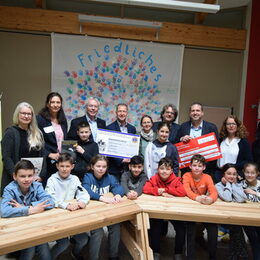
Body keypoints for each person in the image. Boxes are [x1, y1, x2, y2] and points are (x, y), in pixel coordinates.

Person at [1, 160, 54, 260]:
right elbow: (3, 211)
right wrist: (30, 210)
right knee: (29, 250)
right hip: (19, 229)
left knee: (46, 255)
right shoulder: (9, 189)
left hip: (36, 227)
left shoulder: (37, 185)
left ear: (34, 175)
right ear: (14, 176)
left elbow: (51, 201)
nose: (27, 179)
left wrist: (25, 207)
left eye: (30, 176)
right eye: (22, 176)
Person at [45, 153, 89, 260]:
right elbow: (50, 198)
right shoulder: (52, 179)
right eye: (62, 166)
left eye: (67, 166)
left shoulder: (75, 179)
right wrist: (66, 205)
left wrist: (82, 201)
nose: (64, 169)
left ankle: (75, 252)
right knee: (63, 243)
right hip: (57, 217)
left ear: (72, 167)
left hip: (71, 216)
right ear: (57, 166)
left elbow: (83, 193)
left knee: (83, 239)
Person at [82, 155, 125, 260]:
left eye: (104, 166)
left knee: (115, 226)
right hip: (91, 212)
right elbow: (86, 190)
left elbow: (118, 187)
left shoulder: (110, 177)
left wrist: (118, 194)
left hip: (106, 211)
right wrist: (101, 198)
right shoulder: (88, 176)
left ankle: (113, 255)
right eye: (98, 166)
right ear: (92, 167)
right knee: (98, 231)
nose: (101, 169)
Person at [143, 157, 186, 260]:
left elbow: (182, 191)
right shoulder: (154, 178)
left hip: (173, 210)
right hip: (158, 210)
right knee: (155, 228)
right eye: (162, 168)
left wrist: (166, 190)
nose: (164, 171)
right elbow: (145, 189)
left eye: (167, 169)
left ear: (171, 171)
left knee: (181, 229)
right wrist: (158, 191)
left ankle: (178, 252)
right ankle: (156, 251)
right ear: (158, 169)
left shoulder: (176, 180)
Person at [1, 102, 45, 195]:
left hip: (33, 181)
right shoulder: (11, 132)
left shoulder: (37, 133)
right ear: (18, 115)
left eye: (29, 114)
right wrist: (17, 176)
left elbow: (43, 156)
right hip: (15, 181)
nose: (26, 116)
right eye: (23, 113)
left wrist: (41, 176)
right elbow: (6, 157)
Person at [183, 154, 218, 260]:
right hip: (191, 206)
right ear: (190, 166)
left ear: (204, 167)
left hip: (204, 206)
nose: (196, 168)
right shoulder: (186, 176)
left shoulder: (207, 177)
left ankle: (212, 256)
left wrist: (210, 199)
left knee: (213, 228)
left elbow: (214, 192)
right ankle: (190, 257)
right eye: (194, 165)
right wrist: (198, 198)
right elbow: (187, 191)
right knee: (190, 228)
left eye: (199, 166)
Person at [215, 163, 248, 260]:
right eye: (229, 174)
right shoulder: (218, 185)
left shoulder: (238, 185)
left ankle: (234, 255)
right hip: (223, 214)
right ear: (223, 175)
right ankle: (241, 255)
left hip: (236, 215)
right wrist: (228, 184)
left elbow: (241, 199)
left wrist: (232, 184)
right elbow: (228, 198)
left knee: (236, 229)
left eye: (234, 174)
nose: (232, 176)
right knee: (236, 229)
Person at [177, 102, 219, 175]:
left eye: (197, 110)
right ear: (190, 113)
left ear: (202, 113)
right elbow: (176, 144)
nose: (195, 113)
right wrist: (181, 139)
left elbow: (216, 149)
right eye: (193, 111)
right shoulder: (183, 126)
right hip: (187, 170)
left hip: (206, 170)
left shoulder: (211, 127)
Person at [37, 92, 67, 184]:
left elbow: (64, 140)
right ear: (47, 104)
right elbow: (36, 142)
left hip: (60, 161)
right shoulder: (40, 119)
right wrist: (49, 154)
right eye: (52, 102)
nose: (55, 105)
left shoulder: (63, 120)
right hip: (46, 162)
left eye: (58, 102)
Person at [216, 115, 252, 182]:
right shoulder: (220, 140)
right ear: (225, 126)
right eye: (228, 124)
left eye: (233, 124)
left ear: (237, 126)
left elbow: (248, 161)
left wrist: (232, 166)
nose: (231, 126)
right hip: (219, 174)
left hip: (235, 175)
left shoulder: (243, 142)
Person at [107, 103, 136, 180]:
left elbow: (134, 146)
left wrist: (131, 159)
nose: (122, 113)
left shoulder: (132, 129)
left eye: (124, 111)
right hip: (114, 168)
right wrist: (121, 160)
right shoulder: (109, 128)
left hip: (128, 168)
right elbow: (109, 148)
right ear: (116, 113)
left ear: (127, 113)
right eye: (120, 111)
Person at [242, 163, 260, 260]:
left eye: (252, 173)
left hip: (258, 216)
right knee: (254, 239)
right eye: (247, 172)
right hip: (247, 216)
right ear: (244, 173)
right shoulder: (242, 184)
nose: (249, 175)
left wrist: (255, 193)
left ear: (257, 173)